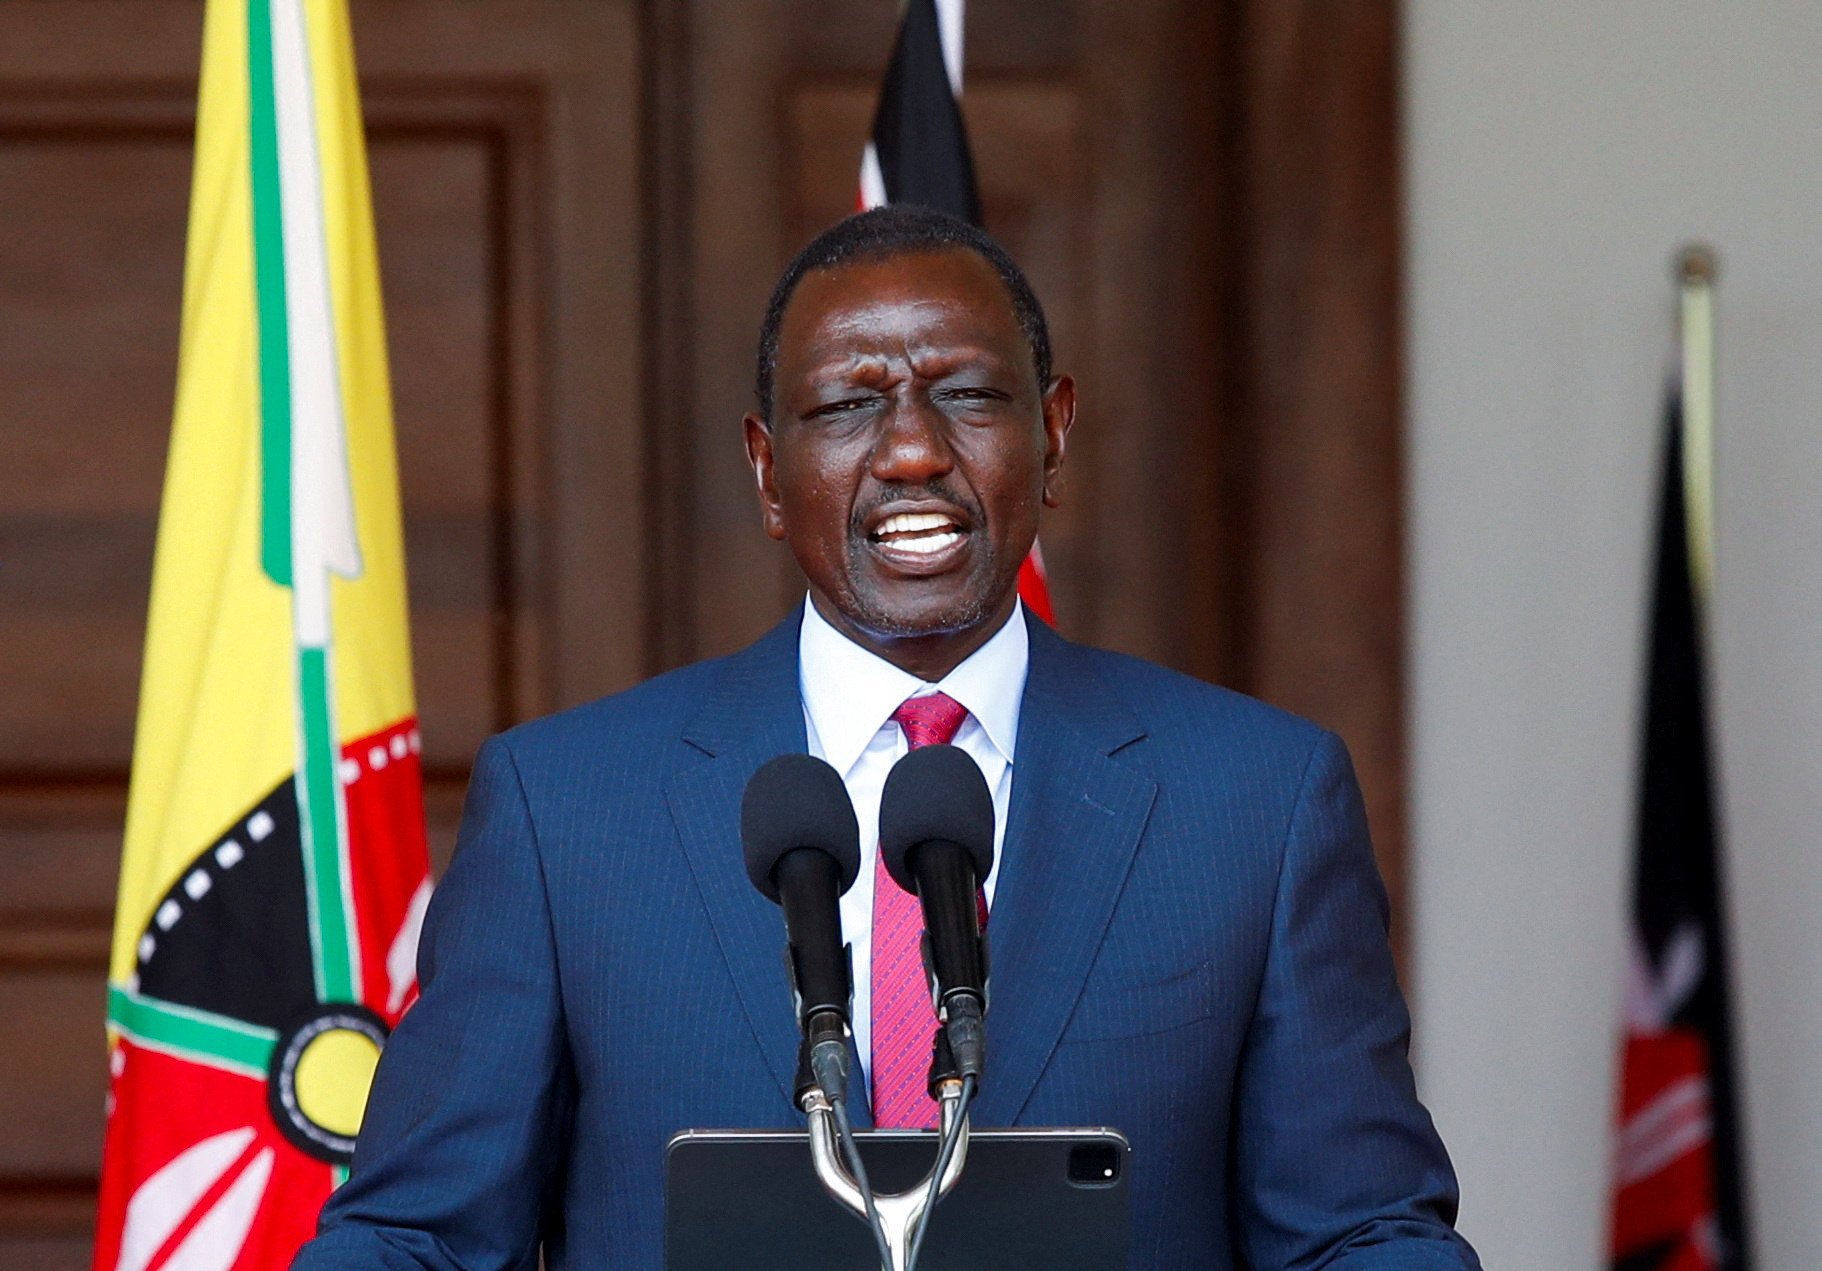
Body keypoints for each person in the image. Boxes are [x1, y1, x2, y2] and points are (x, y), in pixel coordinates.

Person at [297, 206, 1479, 1269]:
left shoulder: (1257, 802)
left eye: (966, 395)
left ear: (1053, 432)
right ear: (768, 470)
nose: (911, 450)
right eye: (848, 406)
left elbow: (1358, 1231)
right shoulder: (567, 811)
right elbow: (418, 1238)